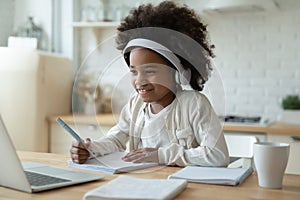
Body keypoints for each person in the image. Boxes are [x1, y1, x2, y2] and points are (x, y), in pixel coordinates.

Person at [70, 1, 229, 167]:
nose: (139, 81)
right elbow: (117, 139)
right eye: (134, 71)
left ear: (176, 71)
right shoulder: (135, 105)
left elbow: (217, 155)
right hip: (143, 186)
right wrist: (91, 148)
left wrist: (160, 155)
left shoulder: (194, 105)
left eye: (150, 71)